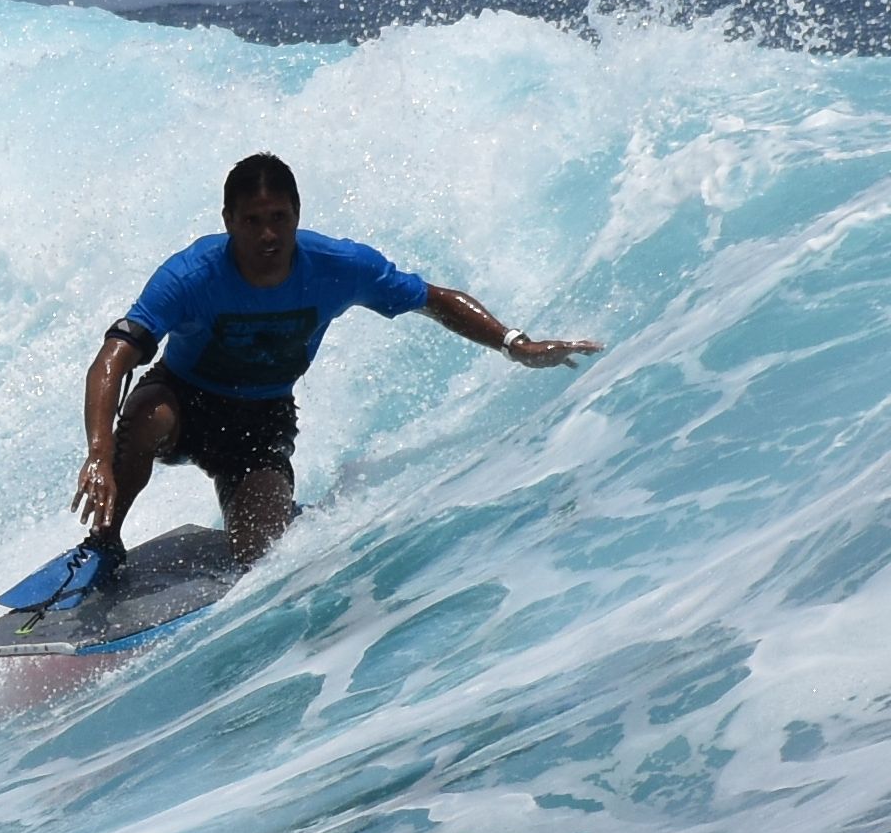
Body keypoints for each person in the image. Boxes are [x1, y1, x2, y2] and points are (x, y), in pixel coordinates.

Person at [66, 150, 591, 592]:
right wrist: (98, 454)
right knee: (143, 419)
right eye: (252, 220)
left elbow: (432, 299)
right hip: (185, 400)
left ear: (297, 214)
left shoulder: (338, 266)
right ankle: (106, 541)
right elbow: (113, 357)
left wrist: (513, 342)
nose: (268, 234)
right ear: (227, 221)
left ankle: (279, 511)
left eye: (280, 218)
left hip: (260, 422)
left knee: (262, 558)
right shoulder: (192, 274)